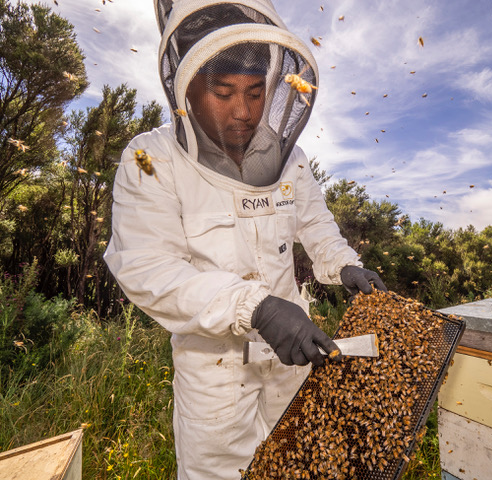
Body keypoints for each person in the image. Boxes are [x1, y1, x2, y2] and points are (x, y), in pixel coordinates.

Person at [104, 2, 386, 479]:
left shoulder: (287, 159)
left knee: (298, 467)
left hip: (291, 359)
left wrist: (344, 264)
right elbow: (147, 267)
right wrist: (254, 306)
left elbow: (316, 225)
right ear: (188, 88)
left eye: (256, 93)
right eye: (224, 92)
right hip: (215, 375)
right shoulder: (149, 159)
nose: (243, 111)